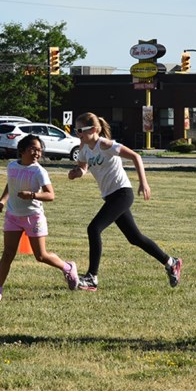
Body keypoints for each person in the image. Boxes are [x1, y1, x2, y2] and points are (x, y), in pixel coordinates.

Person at [67, 112, 182, 291]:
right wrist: (77, 173)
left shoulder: (105, 145)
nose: (77, 133)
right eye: (76, 129)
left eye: (80, 130)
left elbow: (136, 156)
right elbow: (83, 166)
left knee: (94, 228)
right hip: (110, 196)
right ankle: (171, 262)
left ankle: (92, 278)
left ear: (94, 129)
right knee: (134, 238)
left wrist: (144, 183)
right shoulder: (84, 148)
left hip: (122, 193)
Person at [0, 134, 79, 301]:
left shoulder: (39, 171)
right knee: (8, 254)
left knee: (41, 256)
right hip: (13, 216)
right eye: (34, 149)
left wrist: (32, 195)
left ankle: (67, 267)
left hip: (33, 217)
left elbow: (51, 195)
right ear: (22, 150)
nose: (37, 153)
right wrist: (2, 201)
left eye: (39, 150)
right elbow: (11, 184)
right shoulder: (11, 166)